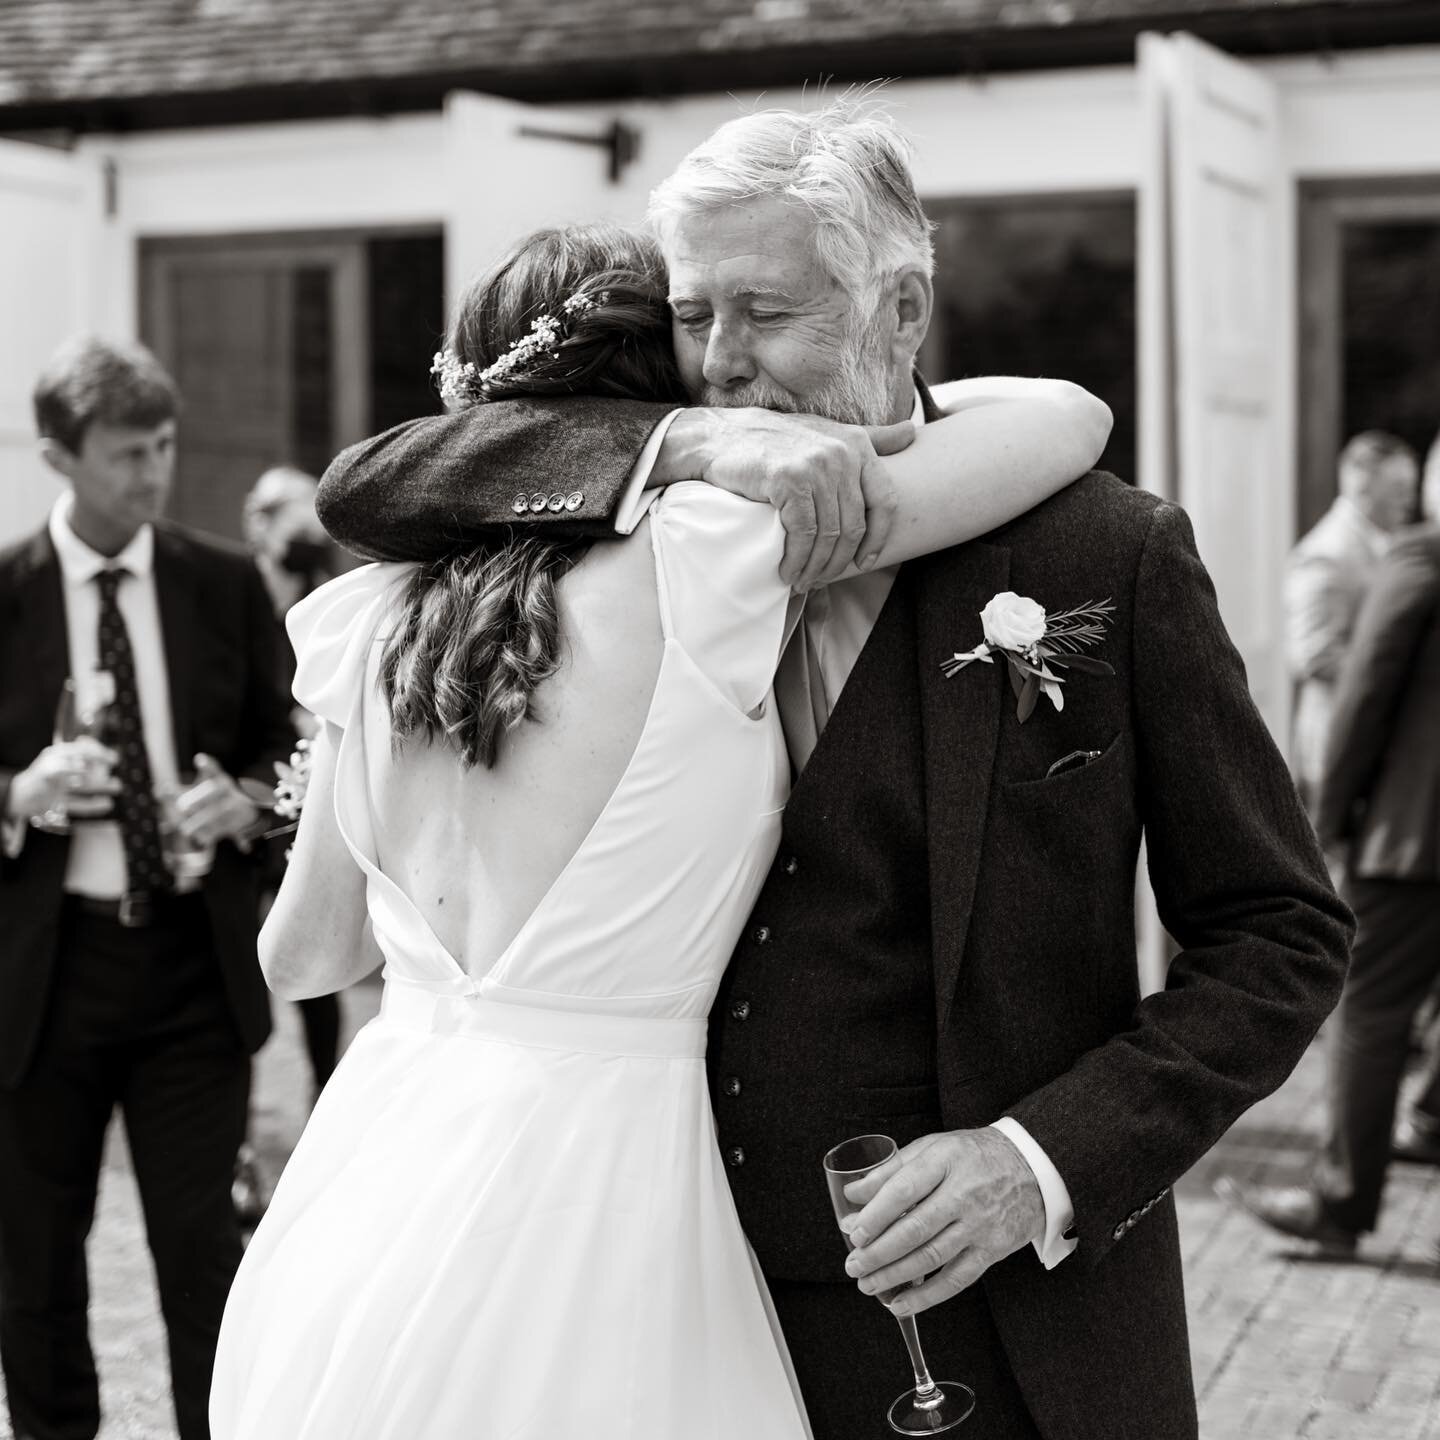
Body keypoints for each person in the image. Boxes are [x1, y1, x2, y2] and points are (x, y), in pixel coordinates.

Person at [313, 101, 1352, 1440]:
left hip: (1017, 1330)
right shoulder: (640, 533)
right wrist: (677, 445)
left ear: (901, 308)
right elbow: (370, 483)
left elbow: (1279, 933)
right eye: (697, 317)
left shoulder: (1111, 556)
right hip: (682, 1315)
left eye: (768, 311)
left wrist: (1036, 1165)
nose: (724, 364)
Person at [207, 219, 1112, 1438]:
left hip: (371, 1181)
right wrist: (708, 441)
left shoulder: (364, 622)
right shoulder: (713, 553)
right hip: (601, 1190)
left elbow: (304, 959)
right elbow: (1066, 418)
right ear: (655, 393)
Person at [0, 338, 295, 1440]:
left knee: (202, 1260)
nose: (154, 472)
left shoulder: (223, 583)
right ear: (58, 458)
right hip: (42, 979)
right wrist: (21, 790)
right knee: (34, 1265)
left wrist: (247, 803)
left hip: (187, 971)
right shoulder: (5, 594)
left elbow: (288, 753)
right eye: (128, 453)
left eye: (163, 447)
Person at [1223, 438, 1440, 1250]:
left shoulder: (1423, 557)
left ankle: (1343, 1204)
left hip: (1413, 839)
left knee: (1370, 1015)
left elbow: (1364, 697)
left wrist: (1326, 822)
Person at [1285, 430, 1418, 811]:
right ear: (1362, 486)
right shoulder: (1327, 554)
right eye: (1398, 488)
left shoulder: (1388, 542)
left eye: (1410, 487)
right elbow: (1312, 653)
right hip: (1337, 741)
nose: (1409, 500)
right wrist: (1393, 675)